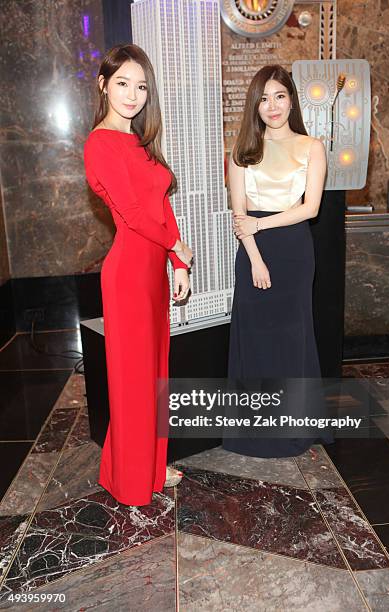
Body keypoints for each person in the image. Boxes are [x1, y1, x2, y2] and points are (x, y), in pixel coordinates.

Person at [83, 44, 193, 506]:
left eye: (141, 86)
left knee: (154, 378)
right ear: (104, 85)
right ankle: (131, 481)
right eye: (123, 83)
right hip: (128, 274)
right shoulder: (100, 143)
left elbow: (160, 206)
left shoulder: (142, 144)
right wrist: (175, 246)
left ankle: (149, 468)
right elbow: (131, 213)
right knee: (131, 382)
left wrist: (178, 261)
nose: (132, 95)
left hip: (153, 273)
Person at [222, 65, 333, 458]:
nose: (272, 105)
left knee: (293, 336)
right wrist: (255, 257)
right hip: (254, 252)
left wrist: (261, 224)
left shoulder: (311, 146)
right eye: (264, 98)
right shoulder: (240, 153)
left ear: (291, 100)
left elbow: (311, 208)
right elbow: (240, 215)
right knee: (255, 339)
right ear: (255, 104)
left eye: (280, 96)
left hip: (295, 252)